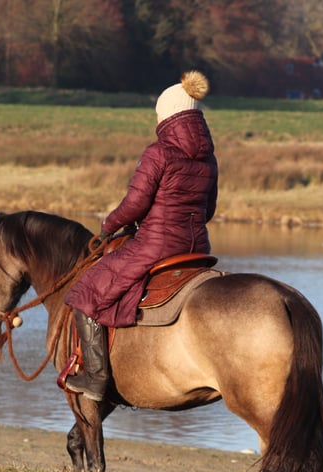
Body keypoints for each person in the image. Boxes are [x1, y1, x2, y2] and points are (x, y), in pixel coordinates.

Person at [63, 70, 219, 401]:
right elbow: (209, 210)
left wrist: (108, 227)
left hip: (156, 246)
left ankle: (96, 377)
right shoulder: (208, 156)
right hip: (197, 248)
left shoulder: (158, 152)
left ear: (167, 116)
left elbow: (135, 204)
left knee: (87, 291)